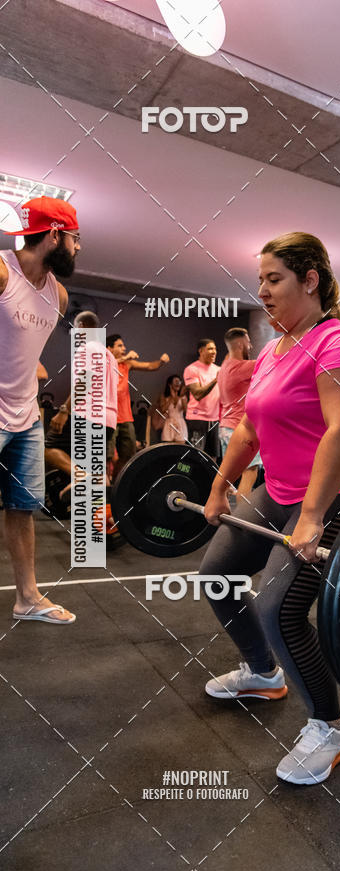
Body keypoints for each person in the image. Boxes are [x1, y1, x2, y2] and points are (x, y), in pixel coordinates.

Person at [198, 232, 340, 785]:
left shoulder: (337, 342)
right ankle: (262, 672)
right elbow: (250, 426)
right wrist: (220, 485)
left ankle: (328, 725)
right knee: (217, 574)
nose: (263, 291)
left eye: (274, 279)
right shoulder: (275, 351)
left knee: (279, 609)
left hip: (337, 497)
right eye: (260, 281)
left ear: (310, 280)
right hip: (276, 491)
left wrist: (312, 516)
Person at [0, 196, 79, 624]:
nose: (78, 247)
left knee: (22, 506)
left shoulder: (59, 296)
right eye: (74, 238)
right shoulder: (2, 271)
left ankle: (27, 598)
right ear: (53, 235)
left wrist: (29, 369)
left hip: (26, 415)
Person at [45, 311, 119, 502]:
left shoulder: (87, 348)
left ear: (84, 326)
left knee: (47, 447)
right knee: (97, 472)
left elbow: (84, 380)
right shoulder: (109, 355)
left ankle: (81, 477)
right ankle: (106, 522)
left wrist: (64, 411)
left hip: (88, 416)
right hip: (108, 420)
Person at [106, 334, 170, 478]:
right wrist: (125, 357)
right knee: (106, 456)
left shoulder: (126, 364)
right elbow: (106, 365)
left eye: (124, 345)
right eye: (120, 346)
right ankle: (103, 488)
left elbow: (149, 366)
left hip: (125, 417)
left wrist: (161, 361)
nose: (124, 348)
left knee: (128, 454)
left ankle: (115, 484)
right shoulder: (103, 362)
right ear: (109, 348)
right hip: (107, 417)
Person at [217, 327, 262, 498]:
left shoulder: (223, 368)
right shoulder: (243, 368)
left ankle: (221, 515)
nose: (250, 346)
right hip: (239, 429)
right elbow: (275, 363)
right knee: (249, 473)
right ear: (240, 344)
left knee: (227, 479)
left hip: (225, 428)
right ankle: (243, 521)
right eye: (248, 342)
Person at [183, 338, 220, 459]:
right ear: (201, 351)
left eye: (215, 348)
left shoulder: (218, 370)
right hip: (197, 419)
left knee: (212, 457)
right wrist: (216, 380)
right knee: (195, 456)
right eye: (210, 348)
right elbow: (198, 394)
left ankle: (209, 479)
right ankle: (191, 478)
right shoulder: (192, 369)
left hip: (215, 419)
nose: (214, 351)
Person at [153, 374, 188, 443]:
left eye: (179, 381)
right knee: (168, 448)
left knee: (180, 448)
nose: (178, 383)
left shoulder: (183, 397)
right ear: (170, 384)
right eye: (175, 381)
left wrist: (181, 396)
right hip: (168, 423)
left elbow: (186, 410)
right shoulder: (164, 396)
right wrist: (172, 398)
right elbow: (163, 410)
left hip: (180, 423)